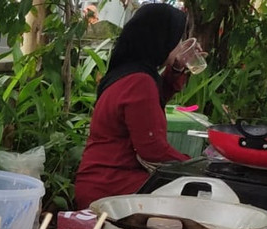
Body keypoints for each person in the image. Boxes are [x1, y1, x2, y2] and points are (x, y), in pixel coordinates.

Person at [74, 4, 196, 210]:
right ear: (161, 41)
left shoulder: (127, 71)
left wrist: (176, 68)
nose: (179, 46)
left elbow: (146, 108)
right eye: (177, 40)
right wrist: (195, 167)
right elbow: (153, 149)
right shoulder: (140, 82)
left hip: (100, 181)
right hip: (112, 187)